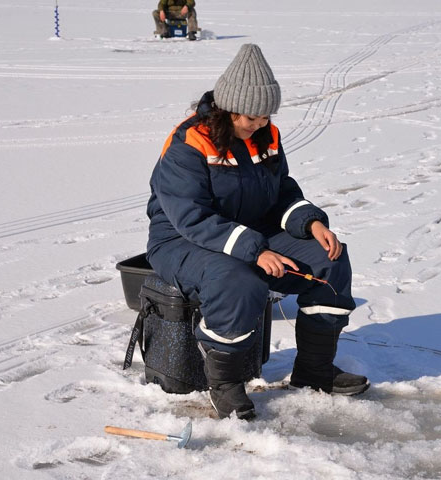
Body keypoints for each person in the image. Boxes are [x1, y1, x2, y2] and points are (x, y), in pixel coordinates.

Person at [146, 44, 369, 420]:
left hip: (249, 232)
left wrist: (310, 222)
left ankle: (313, 371)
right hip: (181, 241)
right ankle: (225, 384)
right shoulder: (190, 144)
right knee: (239, 280)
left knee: (329, 262)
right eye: (251, 117)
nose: (259, 124)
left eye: (266, 116)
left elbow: (280, 191)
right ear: (226, 108)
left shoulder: (266, 136)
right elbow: (191, 216)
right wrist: (256, 250)